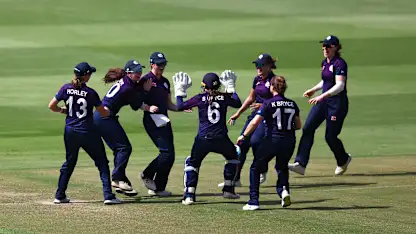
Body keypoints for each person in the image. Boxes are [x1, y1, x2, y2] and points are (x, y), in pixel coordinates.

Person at [48, 62, 121, 205]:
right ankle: (108, 196)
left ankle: (60, 195)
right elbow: (103, 112)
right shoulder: (91, 93)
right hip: (88, 132)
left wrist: (63, 111)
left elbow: (51, 106)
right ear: (86, 75)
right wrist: (110, 111)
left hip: (70, 131)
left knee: (69, 163)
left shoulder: (65, 88)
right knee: (102, 163)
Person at [171, 71, 242, 205]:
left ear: (204, 86)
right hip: (221, 138)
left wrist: (179, 92)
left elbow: (180, 106)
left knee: (192, 163)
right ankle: (228, 189)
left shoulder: (200, 97)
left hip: (203, 139)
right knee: (233, 156)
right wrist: (231, 88)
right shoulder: (224, 97)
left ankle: (189, 195)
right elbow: (238, 103)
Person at [288, 35, 352, 176]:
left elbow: (340, 85)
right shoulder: (325, 63)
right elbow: (326, 81)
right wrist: (314, 90)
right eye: (323, 46)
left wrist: (321, 96)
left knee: (330, 136)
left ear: (335, 47)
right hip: (324, 102)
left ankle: (343, 159)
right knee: (308, 128)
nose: (325, 49)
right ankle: (301, 164)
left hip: (337, 104)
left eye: (328, 46)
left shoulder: (340, 63)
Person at [237, 76, 301, 211]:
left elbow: (255, 122)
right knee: (282, 166)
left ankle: (253, 201)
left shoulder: (268, 103)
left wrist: (243, 135)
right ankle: (284, 191)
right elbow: (298, 125)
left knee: (255, 168)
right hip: (289, 141)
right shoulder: (292, 104)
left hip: (272, 140)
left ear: (272, 87)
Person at [93, 60, 156, 197]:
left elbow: (133, 93)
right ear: (128, 73)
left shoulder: (127, 83)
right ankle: (117, 178)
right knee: (124, 148)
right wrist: (145, 92)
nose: (139, 73)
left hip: (100, 117)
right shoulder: (128, 88)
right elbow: (136, 105)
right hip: (105, 117)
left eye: (140, 70)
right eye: (136, 71)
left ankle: (122, 181)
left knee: (119, 149)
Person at [219, 53, 277, 187]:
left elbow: (277, 101)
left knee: (256, 142)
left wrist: (263, 105)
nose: (259, 68)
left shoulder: (274, 80)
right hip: (254, 116)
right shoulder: (257, 80)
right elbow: (251, 98)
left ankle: (262, 169)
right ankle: (235, 179)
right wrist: (238, 113)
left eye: (262, 65)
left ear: (269, 66)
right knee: (241, 144)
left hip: (266, 118)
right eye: (257, 65)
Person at [139, 52, 178, 197]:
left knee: (170, 155)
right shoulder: (145, 80)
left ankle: (159, 187)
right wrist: (148, 106)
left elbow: (169, 104)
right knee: (166, 153)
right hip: (151, 120)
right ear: (152, 65)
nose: (162, 67)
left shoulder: (165, 82)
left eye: (163, 64)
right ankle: (147, 174)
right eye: (159, 64)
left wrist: (182, 107)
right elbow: (137, 102)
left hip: (163, 119)